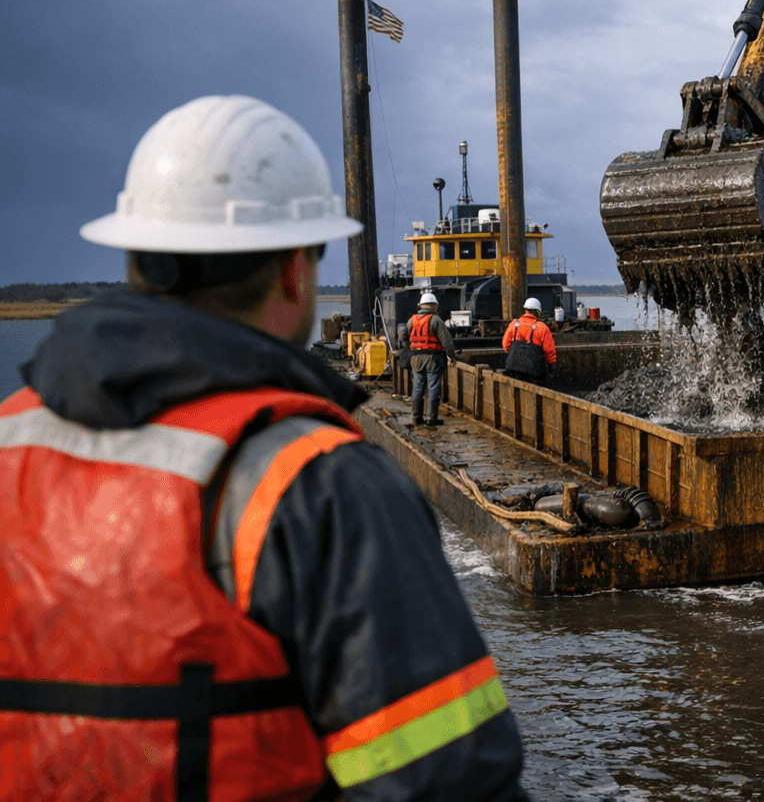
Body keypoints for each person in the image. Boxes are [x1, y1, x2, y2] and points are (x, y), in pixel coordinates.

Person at [0, 96, 529, 801]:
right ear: (293, 271)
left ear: (136, 255)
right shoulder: (320, 486)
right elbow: (448, 781)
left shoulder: (12, 439)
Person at [409, 291, 458, 427]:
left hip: (416, 358)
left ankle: (416, 417)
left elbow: (403, 335)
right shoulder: (435, 320)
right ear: (434, 306)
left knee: (417, 388)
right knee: (433, 387)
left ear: (420, 306)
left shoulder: (412, 320)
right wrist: (452, 356)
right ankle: (431, 418)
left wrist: (411, 347)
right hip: (433, 359)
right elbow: (446, 341)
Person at [501, 297, 556, 386]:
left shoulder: (514, 324)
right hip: (533, 372)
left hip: (513, 369)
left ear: (526, 310)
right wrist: (551, 366)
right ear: (538, 312)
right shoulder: (542, 327)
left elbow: (505, 346)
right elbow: (549, 351)